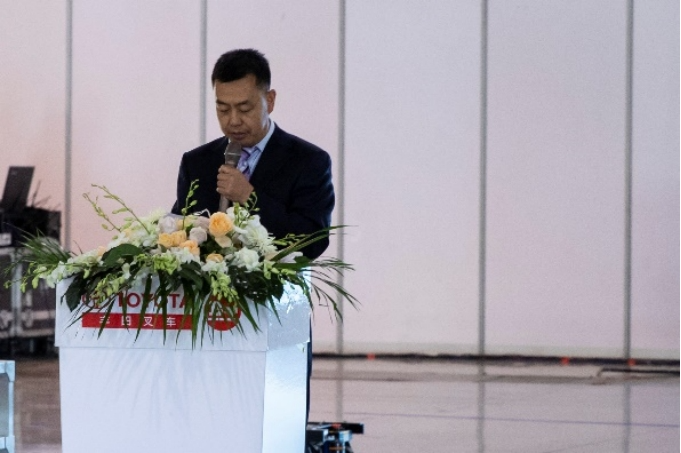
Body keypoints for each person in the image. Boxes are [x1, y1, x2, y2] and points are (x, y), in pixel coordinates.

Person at [171, 48, 333, 425]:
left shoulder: (308, 161)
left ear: (269, 100)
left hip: (275, 317)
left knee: (272, 424)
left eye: (244, 108)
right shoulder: (197, 162)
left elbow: (312, 239)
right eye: (222, 109)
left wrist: (250, 198)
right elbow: (181, 230)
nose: (233, 120)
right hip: (204, 318)